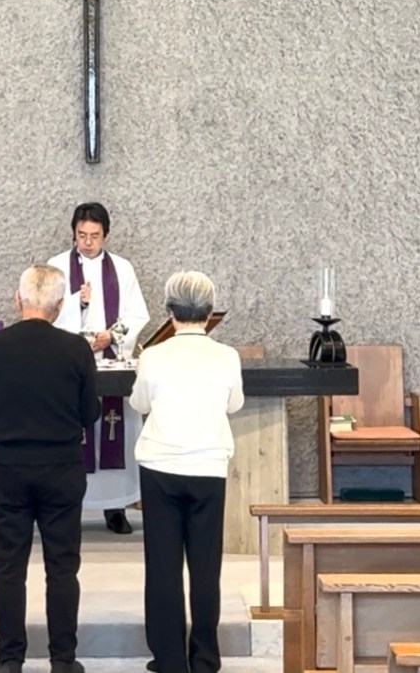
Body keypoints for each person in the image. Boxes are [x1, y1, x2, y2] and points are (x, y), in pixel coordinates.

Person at [0, 264, 100, 673]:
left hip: (8, 467)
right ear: (60, 306)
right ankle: (63, 659)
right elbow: (89, 412)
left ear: (17, 299)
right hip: (61, 467)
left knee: (8, 566)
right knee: (62, 566)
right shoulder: (76, 349)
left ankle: (10, 659)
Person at [130, 271, 244, 673]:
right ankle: (205, 657)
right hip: (208, 467)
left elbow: (139, 402)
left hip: (161, 467)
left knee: (163, 567)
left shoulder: (154, 355)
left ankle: (169, 658)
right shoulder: (226, 356)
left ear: (170, 312)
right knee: (205, 566)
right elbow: (234, 404)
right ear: (209, 313)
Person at [48, 201, 149, 534]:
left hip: (110, 359)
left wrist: (111, 336)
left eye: (95, 235)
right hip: (70, 363)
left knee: (115, 429)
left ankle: (115, 506)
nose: (88, 242)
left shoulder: (122, 268)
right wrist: (77, 303)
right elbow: (46, 312)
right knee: (73, 434)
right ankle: (70, 506)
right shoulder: (56, 267)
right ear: (73, 232)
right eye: (82, 235)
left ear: (106, 234)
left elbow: (137, 314)